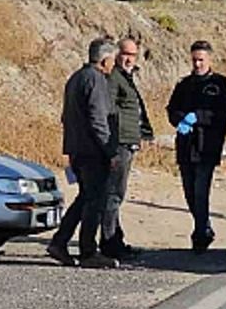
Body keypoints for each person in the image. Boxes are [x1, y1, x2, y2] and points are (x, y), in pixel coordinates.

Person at [48, 37, 121, 269]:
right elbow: (98, 119)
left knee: (85, 198)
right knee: (94, 201)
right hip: (92, 152)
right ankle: (88, 251)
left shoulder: (76, 78)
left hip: (76, 149)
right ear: (105, 59)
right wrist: (110, 151)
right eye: (113, 60)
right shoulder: (96, 80)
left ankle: (60, 242)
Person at [166, 40, 226, 253]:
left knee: (201, 191)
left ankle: (200, 234)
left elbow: (222, 114)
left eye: (201, 60)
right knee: (189, 193)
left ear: (209, 59)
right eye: (194, 60)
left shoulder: (219, 84)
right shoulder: (184, 84)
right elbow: (171, 110)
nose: (197, 64)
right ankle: (205, 227)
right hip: (186, 146)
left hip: (207, 147)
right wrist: (181, 119)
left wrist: (199, 117)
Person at [102, 37, 154, 259]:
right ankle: (109, 243)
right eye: (125, 54)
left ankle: (116, 239)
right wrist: (112, 146)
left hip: (128, 142)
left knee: (117, 194)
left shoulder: (126, 77)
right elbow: (109, 112)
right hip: (120, 143)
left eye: (132, 55)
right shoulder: (114, 78)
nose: (129, 59)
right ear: (116, 54)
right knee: (114, 194)